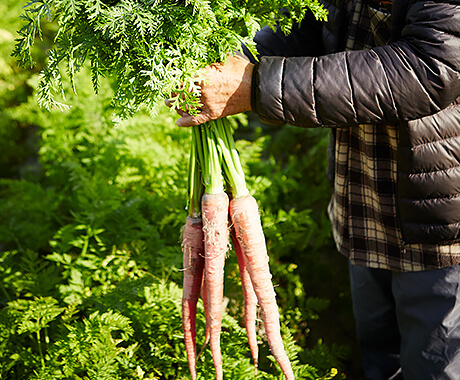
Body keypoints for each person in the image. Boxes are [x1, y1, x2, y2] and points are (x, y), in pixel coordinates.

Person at [167, 0, 460, 378]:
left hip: (439, 222)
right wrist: (227, 59)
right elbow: (314, 25)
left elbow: (427, 67)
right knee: (380, 359)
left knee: (434, 368)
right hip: (364, 205)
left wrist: (253, 86)